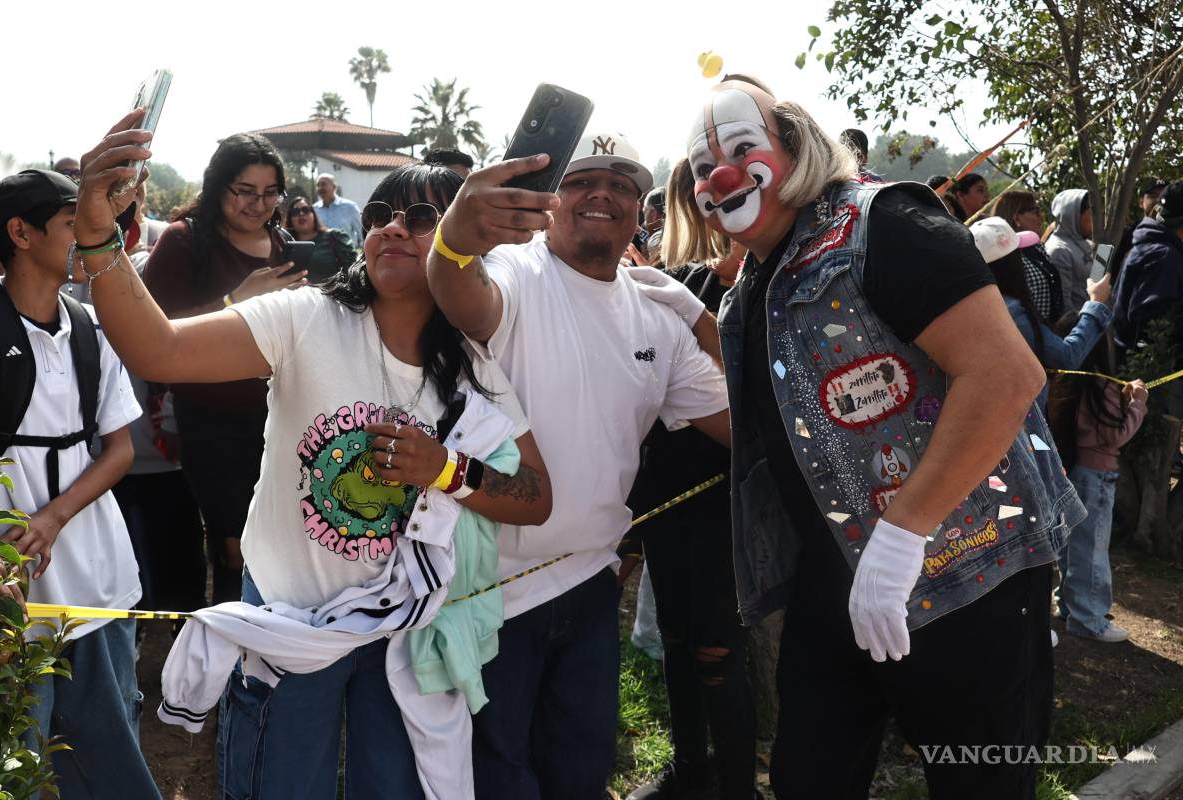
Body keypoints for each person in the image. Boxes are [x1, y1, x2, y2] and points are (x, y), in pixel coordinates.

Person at [75, 115, 552, 799]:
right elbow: (159, 350)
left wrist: (443, 470)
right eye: (382, 212)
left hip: (395, 629)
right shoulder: (305, 318)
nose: (390, 225)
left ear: (463, 243)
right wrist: (96, 233)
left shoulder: (473, 369)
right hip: (289, 625)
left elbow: (535, 495)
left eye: (421, 216)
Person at [666, 77, 1084, 800]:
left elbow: (1005, 376)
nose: (721, 177)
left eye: (740, 149)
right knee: (808, 778)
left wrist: (901, 538)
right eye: (703, 169)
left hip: (966, 579)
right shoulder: (747, 290)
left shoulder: (882, 222)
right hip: (833, 591)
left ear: (793, 143)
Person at [426, 130, 731, 800]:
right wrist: (455, 236)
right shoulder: (513, 272)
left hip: (591, 583)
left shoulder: (656, 314)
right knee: (499, 774)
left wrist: (702, 318)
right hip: (488, 590)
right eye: (580, 180)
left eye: (621, 184)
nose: (601, 194)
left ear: (638, 208)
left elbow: (742, 429)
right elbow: (458, 292)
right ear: (551, 202)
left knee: (581, 768)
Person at [0, 169, 158, 797]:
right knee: (13, 748)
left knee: (110, 740)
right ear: (19, 233)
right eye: (69, 224)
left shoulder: (89, 325)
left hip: (99, 573)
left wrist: (54, 516)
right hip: (9, 585)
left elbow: (117, 449)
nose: (84, 238)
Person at [625, 160, 755, 800]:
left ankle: (736, 786)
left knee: (716, 652)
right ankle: (691, 769)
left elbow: (751, 398)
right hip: (665, 501)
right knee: (677, 642)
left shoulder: (753, 287)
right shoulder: (672, 280)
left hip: (718, 500)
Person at [142, 132, 304, 603]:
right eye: (245, 192)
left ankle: (274, 645)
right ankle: (228, 654)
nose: (259, 204)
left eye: (270, 193)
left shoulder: (284, 243)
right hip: (212, 422)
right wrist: (237, 301)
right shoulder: (184, 240)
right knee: (234, 549)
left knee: (280, 543)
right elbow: (153, 331)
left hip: (281, 416)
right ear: (218, 188)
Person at [1050, 345, 1147, 643]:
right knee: (1091, 547)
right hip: (1097, 476)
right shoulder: (1102, 386)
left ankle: (1069, 605)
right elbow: (1114, 435)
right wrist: (1138, 404)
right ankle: (1089, 619)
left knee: (1070, 545)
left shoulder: (1064, 382)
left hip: (1070, 470)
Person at [972, 216, 1112, 412]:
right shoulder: (1012, 312)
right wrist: (1096, 302)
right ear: (1013, 263)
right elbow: (1066, 357)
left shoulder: (975, 307)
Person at [1113, 181, 1183, 353]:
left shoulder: (1151, 236)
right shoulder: (1113, 238)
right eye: (1152, 195)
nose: (1155, 200)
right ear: (1140, 200)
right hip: (1141, 363)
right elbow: (1150, 325)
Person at [996, 190, 1063, 323]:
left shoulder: (1037, 249)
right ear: (1016, 218)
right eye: (1035, 212)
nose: (1041, 217)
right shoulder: (1007, 258)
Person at [284, 195, 356, 283]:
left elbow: (353, 270)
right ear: (290, 218)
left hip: (330, 295)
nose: (301, 214)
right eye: (295, 212)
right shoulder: (283, 244)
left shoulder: (334, 236)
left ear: (313, 214)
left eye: (305, 210)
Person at [1046, 188, 1095, 310]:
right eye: (1091, 213)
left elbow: (1098, 280)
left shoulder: (1086, 243)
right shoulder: (1059, 251)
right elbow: (1065, 305)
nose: (1096, 219)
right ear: (1073, 215)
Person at [1113, 177, 1167, 281]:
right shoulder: (1122, 234)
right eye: (1153, 196)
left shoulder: (1176, 234)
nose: (1158, 200)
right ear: (1141, 202)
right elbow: (1097, 274)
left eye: (1163, 196)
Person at [314, 172, 364, 249]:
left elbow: (361, 232)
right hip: (322, 257)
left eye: (323, 184)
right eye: (318, 185)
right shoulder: (314, 209)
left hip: (346, 257)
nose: (320, 188)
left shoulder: (350, 207)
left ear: (334, 187)